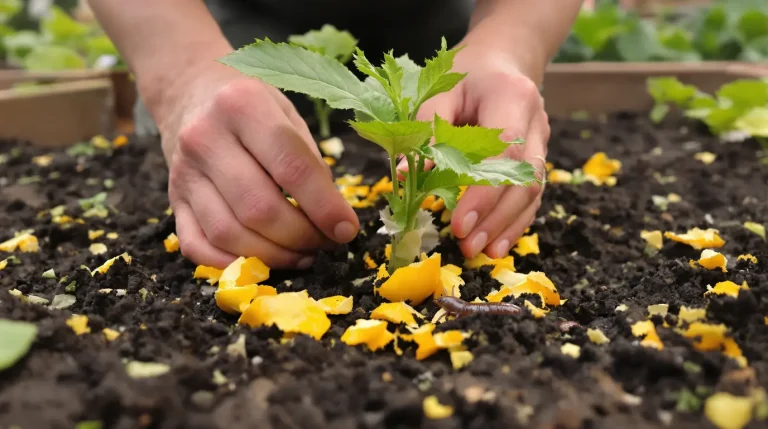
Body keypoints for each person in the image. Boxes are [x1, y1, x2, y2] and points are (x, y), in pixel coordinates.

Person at [89, 0, 583, 270]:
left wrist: (510, 45)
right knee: (227, 165)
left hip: (450, 27)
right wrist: (181, 79)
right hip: (207, 25)